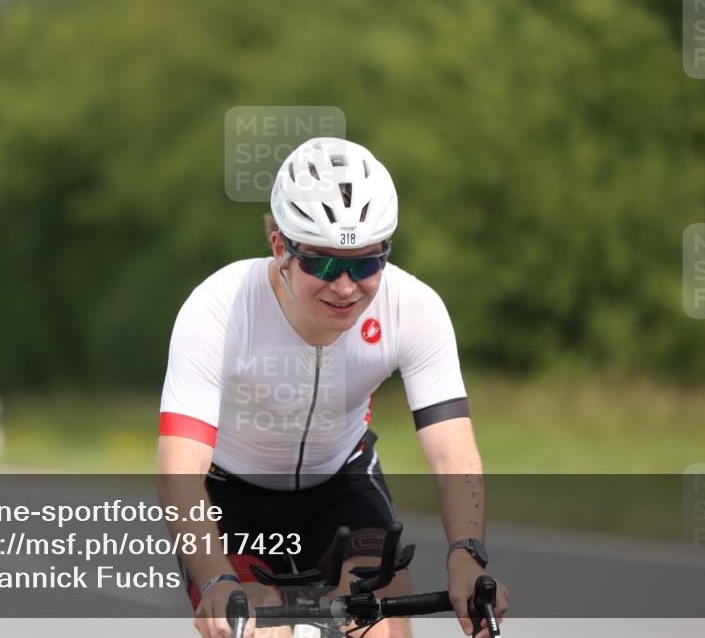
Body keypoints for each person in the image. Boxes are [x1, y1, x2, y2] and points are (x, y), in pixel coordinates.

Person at [158, 137, 508, 638]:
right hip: (232, 497)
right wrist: (215, 579)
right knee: (260, 626)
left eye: (366, 263)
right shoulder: (219, 308)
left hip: (341, 483)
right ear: (279, 246)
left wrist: (467, 555)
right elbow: (179, 473)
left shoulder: (414, 307)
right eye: (322, 263)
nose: (345, 286)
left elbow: (454, 454)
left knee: (378, 624)